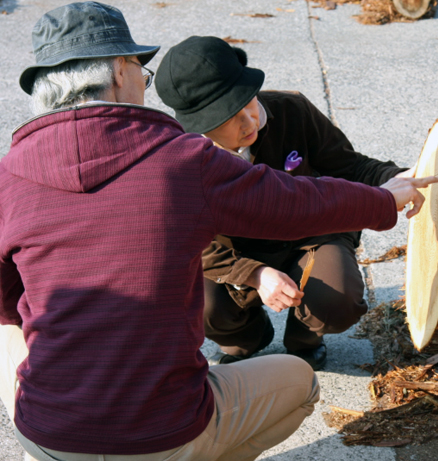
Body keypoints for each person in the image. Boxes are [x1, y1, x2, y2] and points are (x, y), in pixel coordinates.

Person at [0, 2, 438, 460]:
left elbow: (7, 303)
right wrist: (384, 201)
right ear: (118, 72)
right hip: (167, 436)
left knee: (7, 328)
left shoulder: (7, 177)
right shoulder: (179, 159)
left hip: (46, 436)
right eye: (138, 69)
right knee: (298, 382)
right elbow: (292, 201)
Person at [155, 36, 416, 371]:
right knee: (197, 305)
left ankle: (305, 339)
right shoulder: (179, 157)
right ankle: (245, 337)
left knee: (337, 299)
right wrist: (254, 274)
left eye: (247, 103)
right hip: (231, 251)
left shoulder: (291, 109)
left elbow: (349, 165)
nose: (248, 123)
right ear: (198, 126)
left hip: (311, 238)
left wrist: (398, 177)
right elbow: (179, 236)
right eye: (228, 119)